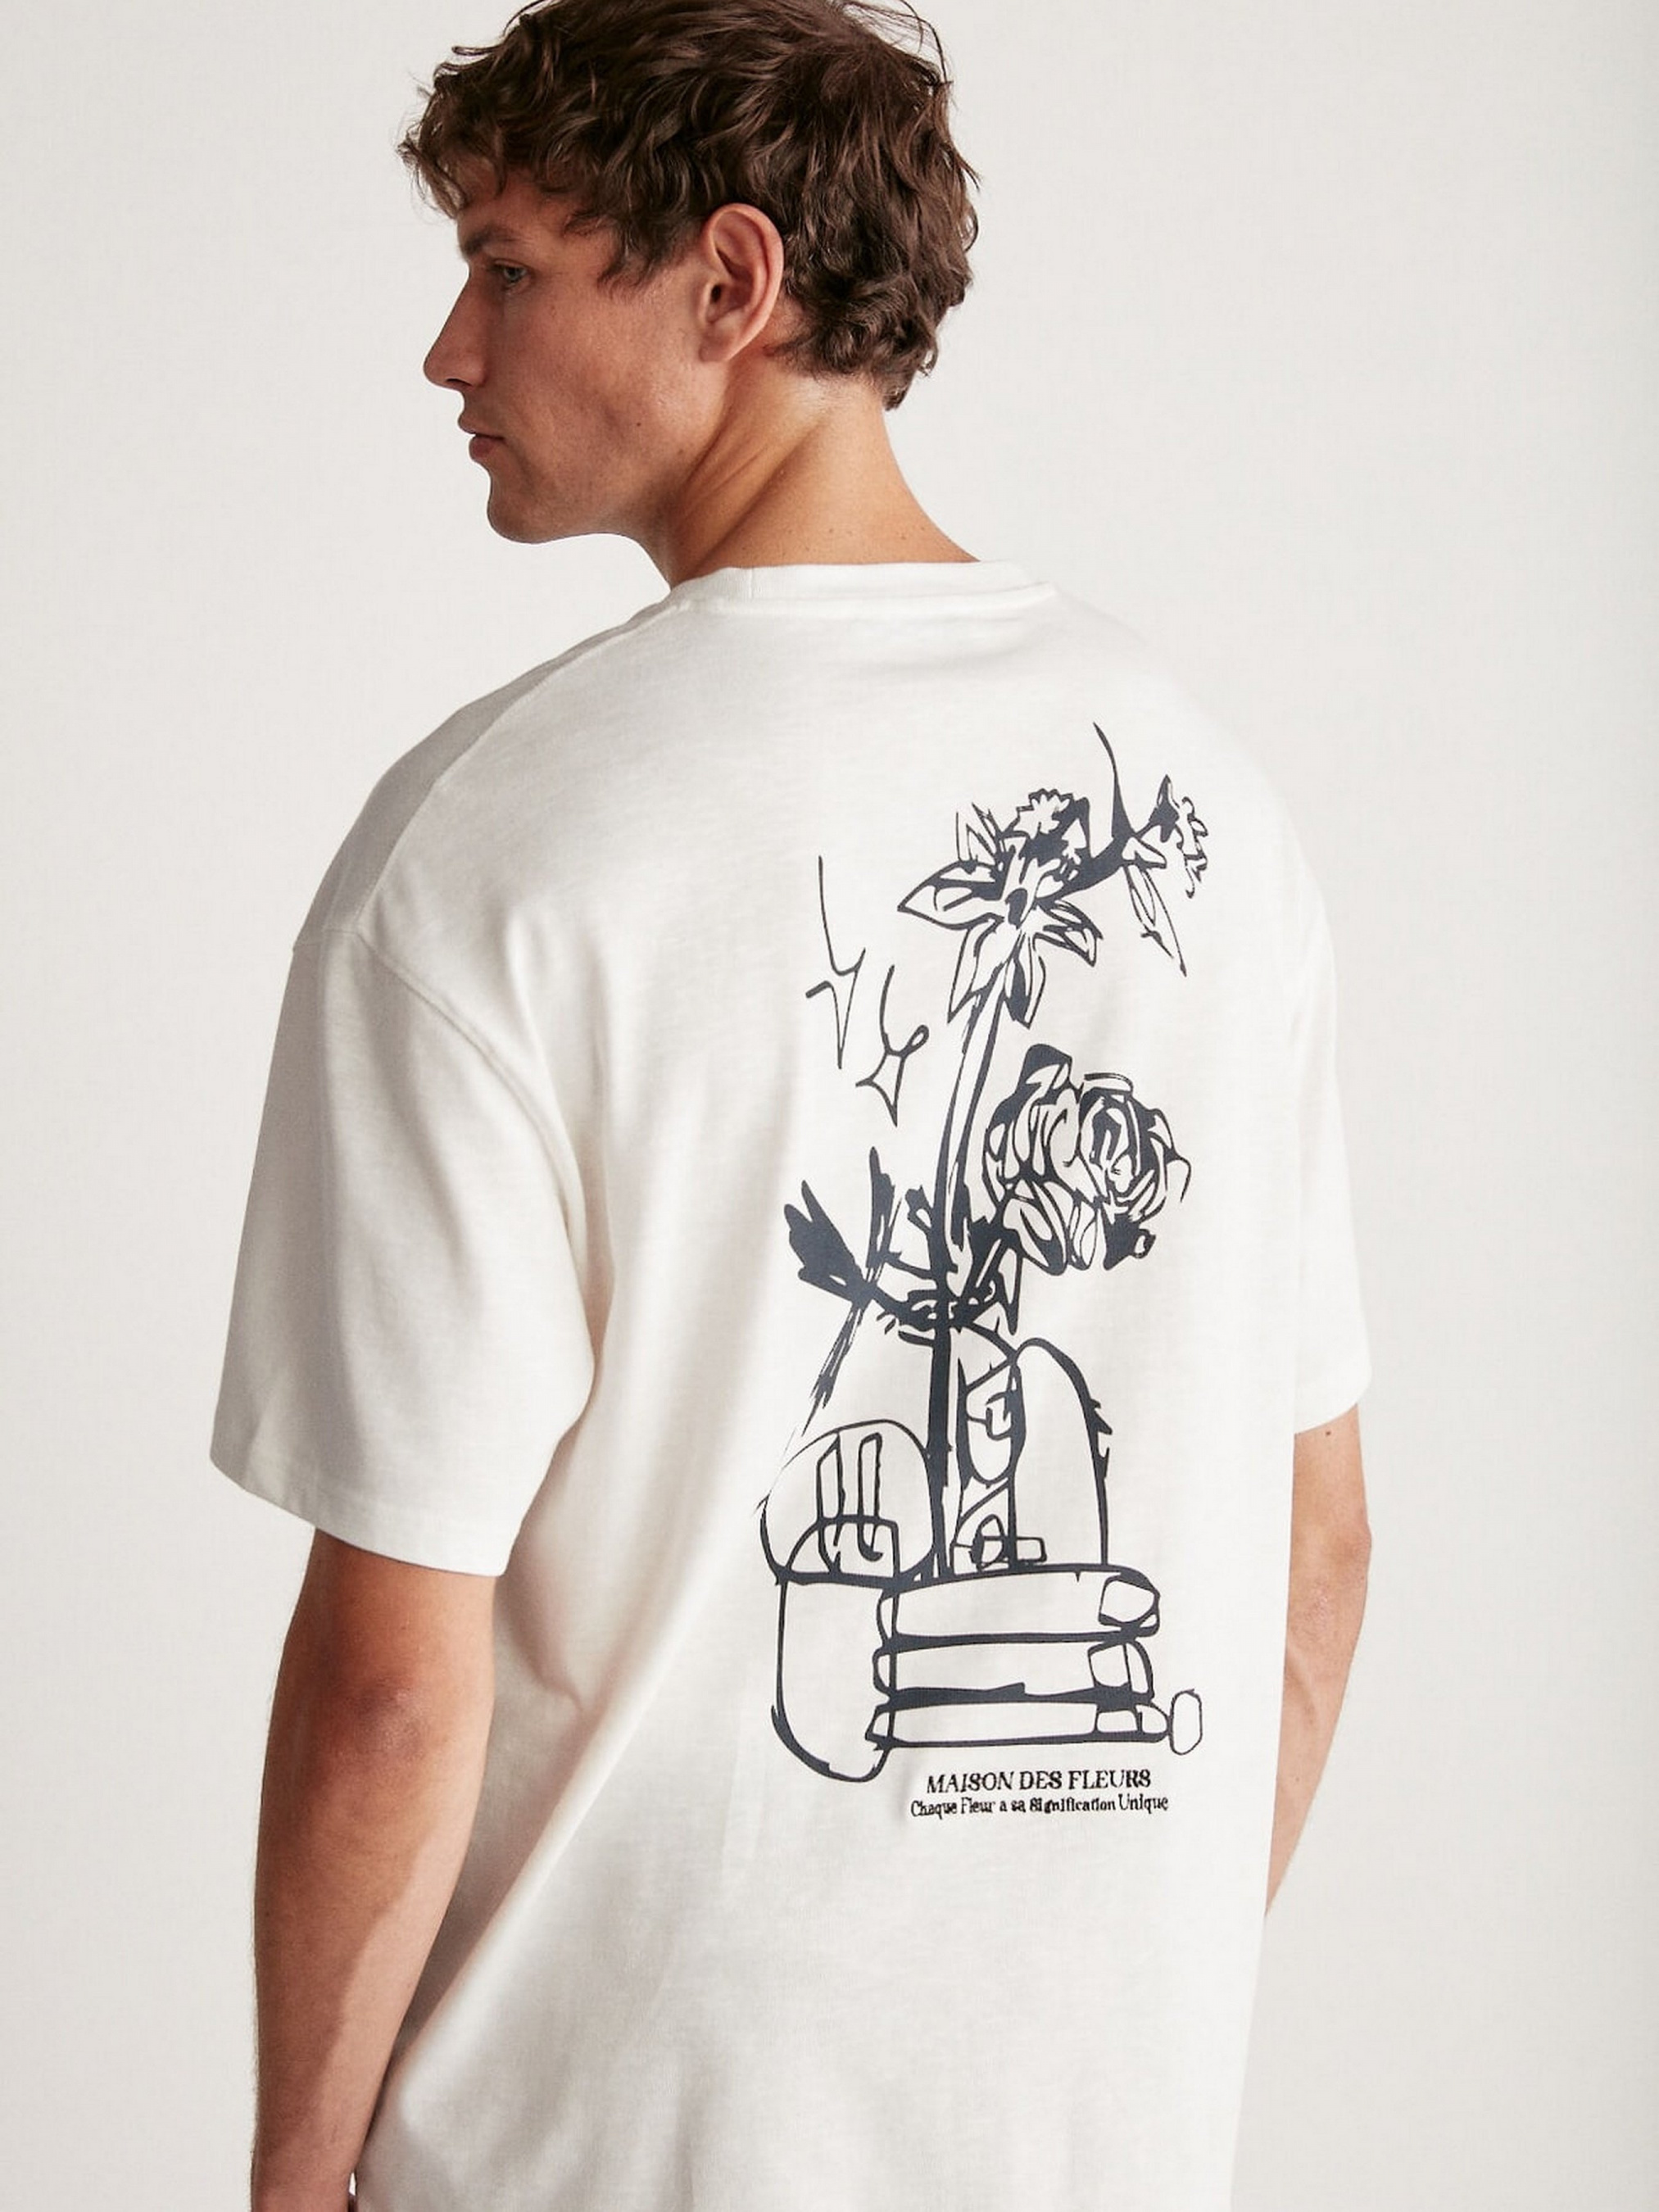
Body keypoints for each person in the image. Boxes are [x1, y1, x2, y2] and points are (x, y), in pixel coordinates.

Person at [209, 2, 1373, 2207]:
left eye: (508, 267)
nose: (450, 352)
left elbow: (393, 1682)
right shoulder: (1205, 798)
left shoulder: (496, 845)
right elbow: (1316, 1543)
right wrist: (1119, 2028)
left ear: (729, 281)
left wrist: (290, 2174)